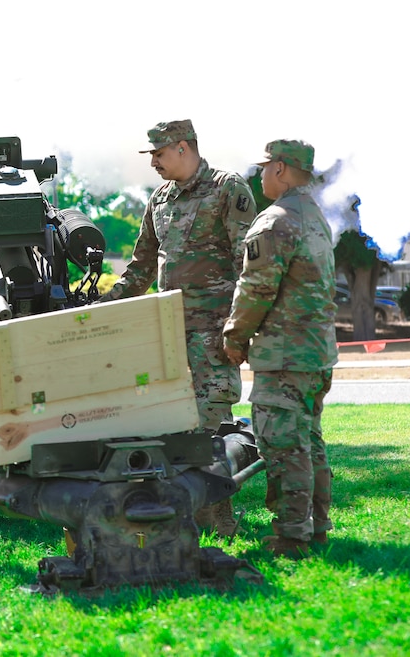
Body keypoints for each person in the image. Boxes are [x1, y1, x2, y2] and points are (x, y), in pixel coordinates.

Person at [101, 120, 256, 535]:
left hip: (215, 335)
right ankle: (181, 513)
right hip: (168, 337)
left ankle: (216, 518)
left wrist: (240, 328)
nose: (152, 162)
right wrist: (100, 308)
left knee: (208, 425)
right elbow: (140, 268)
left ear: (183, 147)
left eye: (158, 153)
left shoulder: (228, 189)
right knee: (173, 425)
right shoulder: (160, 199)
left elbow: (250, 264)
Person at [222, 140, 336, 558]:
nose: (261, 175)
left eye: (266, 168)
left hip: (285, 356)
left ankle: (292, 537)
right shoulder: (316, 216)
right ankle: (317, 526)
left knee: (282, 445)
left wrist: (234, 337)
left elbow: (255, 290)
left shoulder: (275, 221)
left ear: (283, 170)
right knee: (308, 442)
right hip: (315, 353)